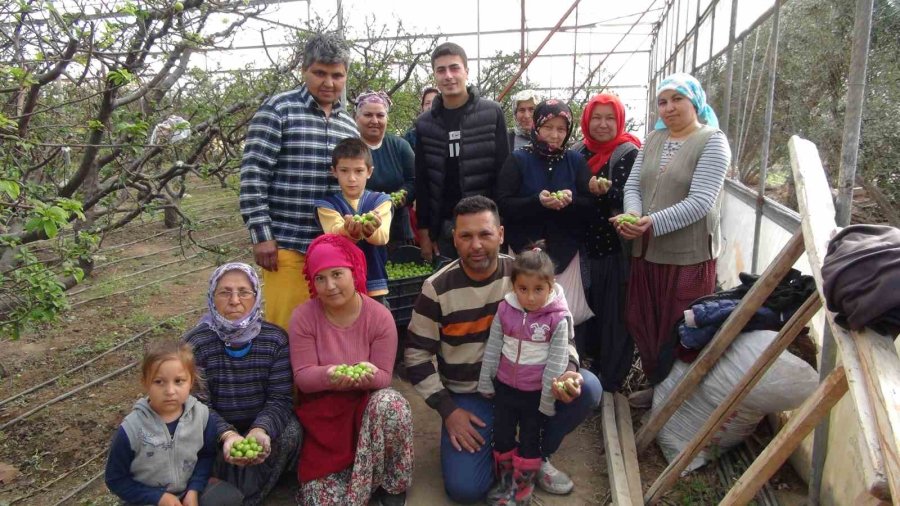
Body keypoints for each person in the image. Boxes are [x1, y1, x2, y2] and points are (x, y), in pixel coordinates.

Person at [405, 196, 602, 503]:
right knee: (466, 490)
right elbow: (415, 356)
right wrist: (449, 411)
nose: (476, 245)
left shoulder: (527, 277)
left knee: (587, 388)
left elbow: (564, 333)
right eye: (466, 236)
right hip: (471, 394)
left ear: (500, 234)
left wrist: (569, 371)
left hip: (533, 385)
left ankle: (536, 457)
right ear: (454, 239)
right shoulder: (437, 288)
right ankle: (505, 457)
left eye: (485, 234)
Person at [612, 73, 731, 385]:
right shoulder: (653, 140)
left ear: (696, 102)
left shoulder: (712, 141)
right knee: (644, 323)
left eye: (677, 99)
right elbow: (634, 186)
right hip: (647, 253)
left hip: (686, 259)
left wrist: (651, 224)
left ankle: (676, 398)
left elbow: (701, 201)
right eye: (662, 102)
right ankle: (656, 388)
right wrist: (633, 215)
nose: (668, 108)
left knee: (681, 329)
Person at [240, 32, 359, 331]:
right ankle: (284, 380)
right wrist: (262, 235)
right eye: (320, 73)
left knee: (326, 326)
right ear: (304, 70)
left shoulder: (347, 123)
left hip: (332, 247)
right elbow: (253, 175)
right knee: (286, 327)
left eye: (337, 75)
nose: (328, 83)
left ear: (345, 76)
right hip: (288, 244)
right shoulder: (278, 110)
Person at [290, 234, 413, 506]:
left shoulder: (379, 317)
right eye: (320, 278)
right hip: (325, 418)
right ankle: (355, 478)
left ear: (354, 271)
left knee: (391, 404)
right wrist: (331, 375)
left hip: (366, 407)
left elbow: (383, 376)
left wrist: (365, 373)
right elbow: (303, 377)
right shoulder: (303, 317)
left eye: (336, 274)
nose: (329, 286)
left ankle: (392, 484)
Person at [181, 263, 301, 505]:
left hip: (259, 425)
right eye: (225, 292)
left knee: (290, 432)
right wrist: (226, 435)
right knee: (186, 435)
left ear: (256, 296)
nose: (235, 300)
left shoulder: (275, 339)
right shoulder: (195, 343)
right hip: (214, 429)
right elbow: (197, 405)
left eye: (244, 292)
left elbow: (280, 399)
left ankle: (247, 495)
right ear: (212, 297)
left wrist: (260, 430)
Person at [477, 242, 574, 506]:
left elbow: (556, 361)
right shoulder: (505, 309)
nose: (530, 297)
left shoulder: (557, 318)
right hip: (506, 389)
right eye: (523, 289)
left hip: (534, 395)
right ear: (513, 287)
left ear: (551, 287)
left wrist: (546, 399)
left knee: (531, 439)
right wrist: (487, 380)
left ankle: (522, 489)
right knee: (503, 436)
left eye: (538, 290)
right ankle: (506, 483)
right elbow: (494, 346)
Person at [105, 341, 244, 506]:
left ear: (191, 382)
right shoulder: (131, 429)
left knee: (229, 497)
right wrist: (159, 498)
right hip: (147, 499)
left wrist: (194, 490)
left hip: (187, 492)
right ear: (145, 383)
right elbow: (115, 479)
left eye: (178, 381)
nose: (170, 391)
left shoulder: (202, 417)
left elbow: (206, 456)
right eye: (159, 382)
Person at [496, 99, 593, 328]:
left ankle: (564, 359)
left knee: (561, 318)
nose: (555, 135)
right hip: (522, 250)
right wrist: (536, 201)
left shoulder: (575, 161)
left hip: (565, 253)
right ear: (536, 127)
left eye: (561, 129)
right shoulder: (519, 159)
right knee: (522, 316)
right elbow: (503, 203)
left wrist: (571, 201)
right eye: (548, 127)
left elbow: (591, 205)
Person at [415, 42, 510, 262]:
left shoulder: (491, 112)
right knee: (451, 290)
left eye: (454, 68)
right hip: (446, 227)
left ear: (466, 71)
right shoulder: (424, 124)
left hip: (486, 225)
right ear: (435, 76)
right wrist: (425, 232)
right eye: (441, 70)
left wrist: (500, 223)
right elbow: (423, 182)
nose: (448, 76)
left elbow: (503, 173)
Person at [573, 93, 642, 392]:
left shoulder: (628, 152)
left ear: (619, 121)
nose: (602, 124)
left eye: (609, 118)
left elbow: (635, 195)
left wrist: (605, 191)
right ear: (586, 120)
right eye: (596, 118)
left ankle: (611, 379)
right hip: (581, 248)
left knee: (614, 311)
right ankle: (585, 371)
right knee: (584, 309)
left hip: (614, 249)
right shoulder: (576, 152)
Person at [315, 137, 393, 301]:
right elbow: (334, 235)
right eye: (344, 171)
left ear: (369, 172)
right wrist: (349, 232)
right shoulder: (327, 206)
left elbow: (382, 236)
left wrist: (369, 230)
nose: (351, 178)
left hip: (375, 286)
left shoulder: (381, 201)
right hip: (339, 290)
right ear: (334, 171)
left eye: (359, 171)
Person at [353, 90, 416, 247]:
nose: (374, 120)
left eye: (380, 115)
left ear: (387, 118)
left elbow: (414, 181)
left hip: (397, 230)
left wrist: (401, 197)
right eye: (368, 115)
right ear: (356, 118)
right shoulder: (349, 148)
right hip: (359, 228)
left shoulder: (400, 146)